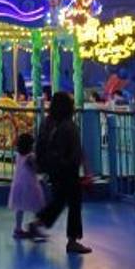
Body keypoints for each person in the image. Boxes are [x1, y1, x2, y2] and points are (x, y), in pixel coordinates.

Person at [30, 91, 92, 254]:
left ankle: (37, 223)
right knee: (74, 203)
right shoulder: (69, 126)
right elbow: (76, 150)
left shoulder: (48, 123)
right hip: (68, 169)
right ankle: (72, 240)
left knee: (59, 200)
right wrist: (86, 170)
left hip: (54, 169)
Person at [8, 133, 45, 239]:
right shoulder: (31, 157)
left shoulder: (18, 155)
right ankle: (35, 227)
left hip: (18, 184)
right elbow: (36, 169)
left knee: (19, 207)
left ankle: (18, 228)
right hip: (30, 185)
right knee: (38, 207)